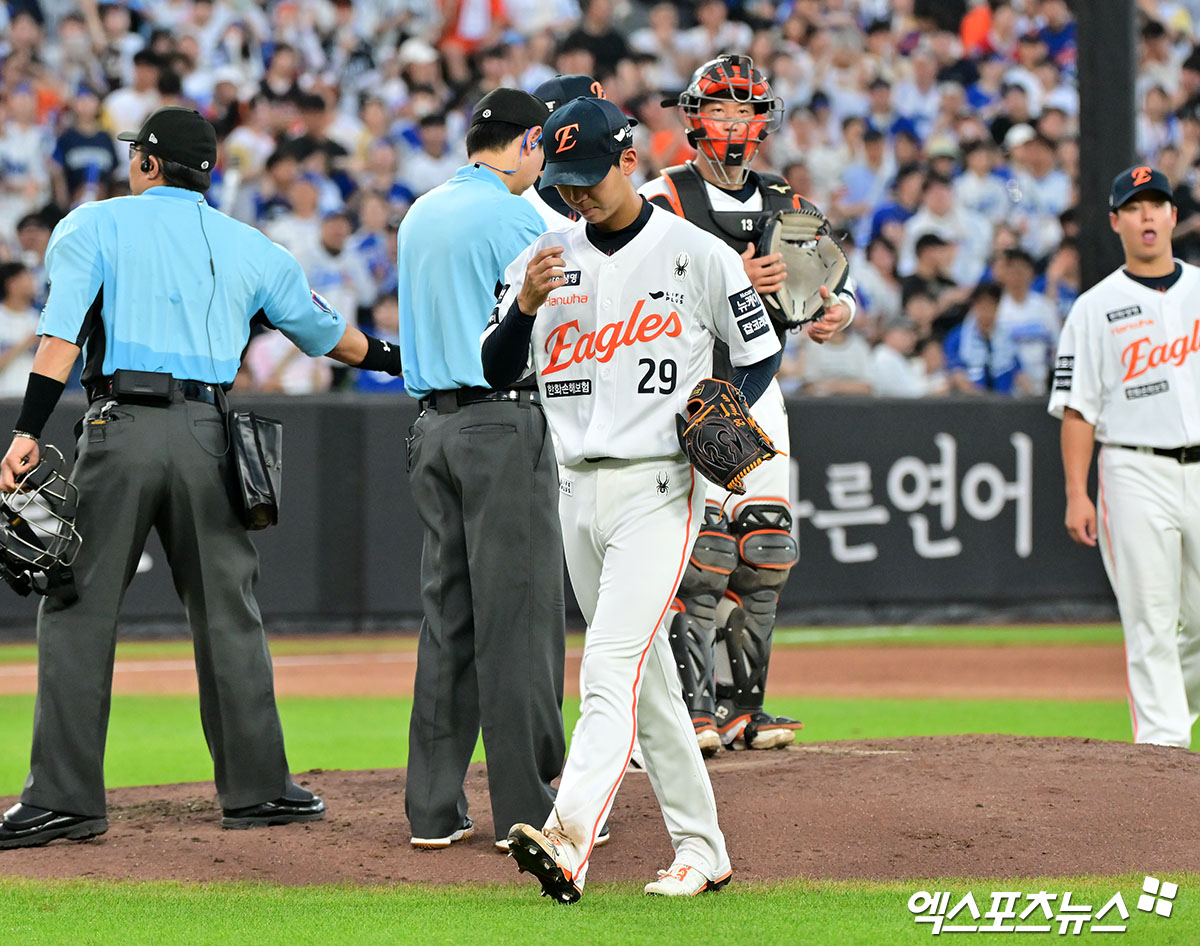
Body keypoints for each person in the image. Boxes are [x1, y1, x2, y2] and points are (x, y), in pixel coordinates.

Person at [0, 106, 403, 850]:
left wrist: (27, 430)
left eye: (136, 154)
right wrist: (406, 359)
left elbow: (59, 339)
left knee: (78, 605)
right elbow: (331, 338)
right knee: (227, 613)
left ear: (148, 162)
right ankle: (258, 789)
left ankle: (63, 799)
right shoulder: (253, 245)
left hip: (120, 427)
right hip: (210, 433)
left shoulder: (94, 224)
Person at [483, 95, 781, 900]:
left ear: (628, 161)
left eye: (591, 176)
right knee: (646, 684)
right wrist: (526, 306)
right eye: (564, 180)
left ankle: (566, 837)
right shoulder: (544, 257)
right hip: (574, 487)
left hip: (659, 483)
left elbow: (759, 348)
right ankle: (703, 849)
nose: (576, 193)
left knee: (608, 665)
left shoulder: (695, 252)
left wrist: (727, 400)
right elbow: (495, 367)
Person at [638, 56, 857, 754]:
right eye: (720, 109)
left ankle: (742, 707)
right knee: (701, 556)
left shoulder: (787, 199)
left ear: (763, 121)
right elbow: (633, 286)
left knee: (767, 548)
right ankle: (689, 709)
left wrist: (837, 311)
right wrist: (731, 275)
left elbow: (830, 279)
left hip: (759, 391)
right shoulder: (661, 197)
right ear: (695, 117)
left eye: (745, 110)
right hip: (689, 388)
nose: (733, 123)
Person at [396, 88, 568, 853]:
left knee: (449, 623)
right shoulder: (519, 217)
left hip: (431, 427)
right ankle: (529, 809)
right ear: (528, 141)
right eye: (544, 147)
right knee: (518, 621)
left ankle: (433, 810)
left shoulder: (420, 212)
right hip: (502, 422)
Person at [1050, 165, 1200, 748]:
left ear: (1172, 216)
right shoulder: (1095, 307)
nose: (1147, 216)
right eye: (1134, 207)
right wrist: (1076, 492)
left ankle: (1171, 715)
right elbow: (1077, 409)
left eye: (1155, 204)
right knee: (1150, 618)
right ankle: (1163, 751)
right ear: (1116, 222)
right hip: (1134, 469)